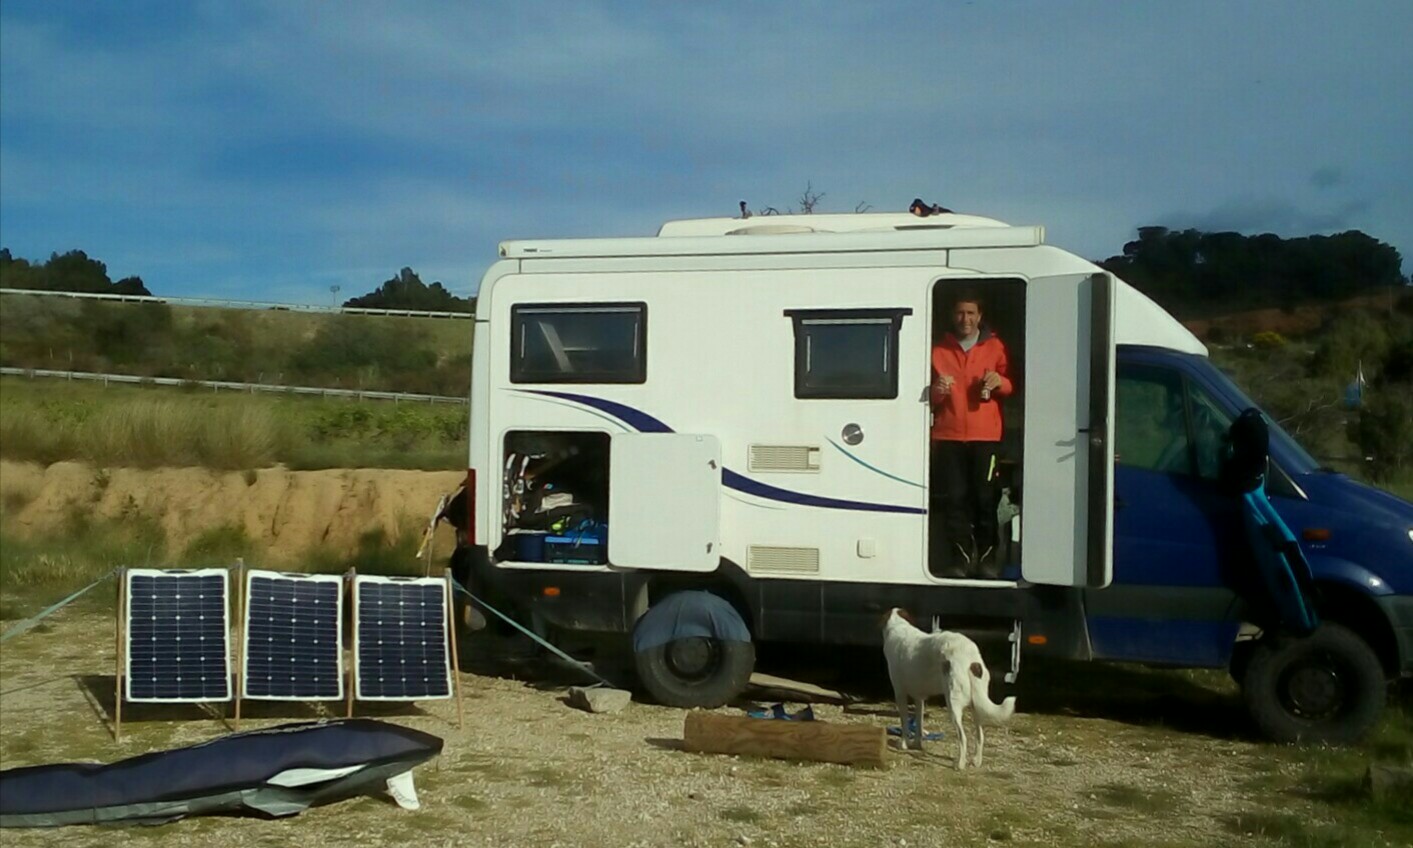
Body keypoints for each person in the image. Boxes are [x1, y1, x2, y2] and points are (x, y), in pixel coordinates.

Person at [930, 292, 1014, 578]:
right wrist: (937, 391)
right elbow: (926, 396)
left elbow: (1011, 385)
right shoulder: (938, 349)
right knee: (954, 499)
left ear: (980, 316)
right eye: (960, 313)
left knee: (985, 498)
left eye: (970, 313)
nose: (964, 319)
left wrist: (999, 381)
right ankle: (961, 560)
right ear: (952, 316)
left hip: (986, 438)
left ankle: (988, 560)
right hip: (948, 436)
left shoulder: (995, 346)